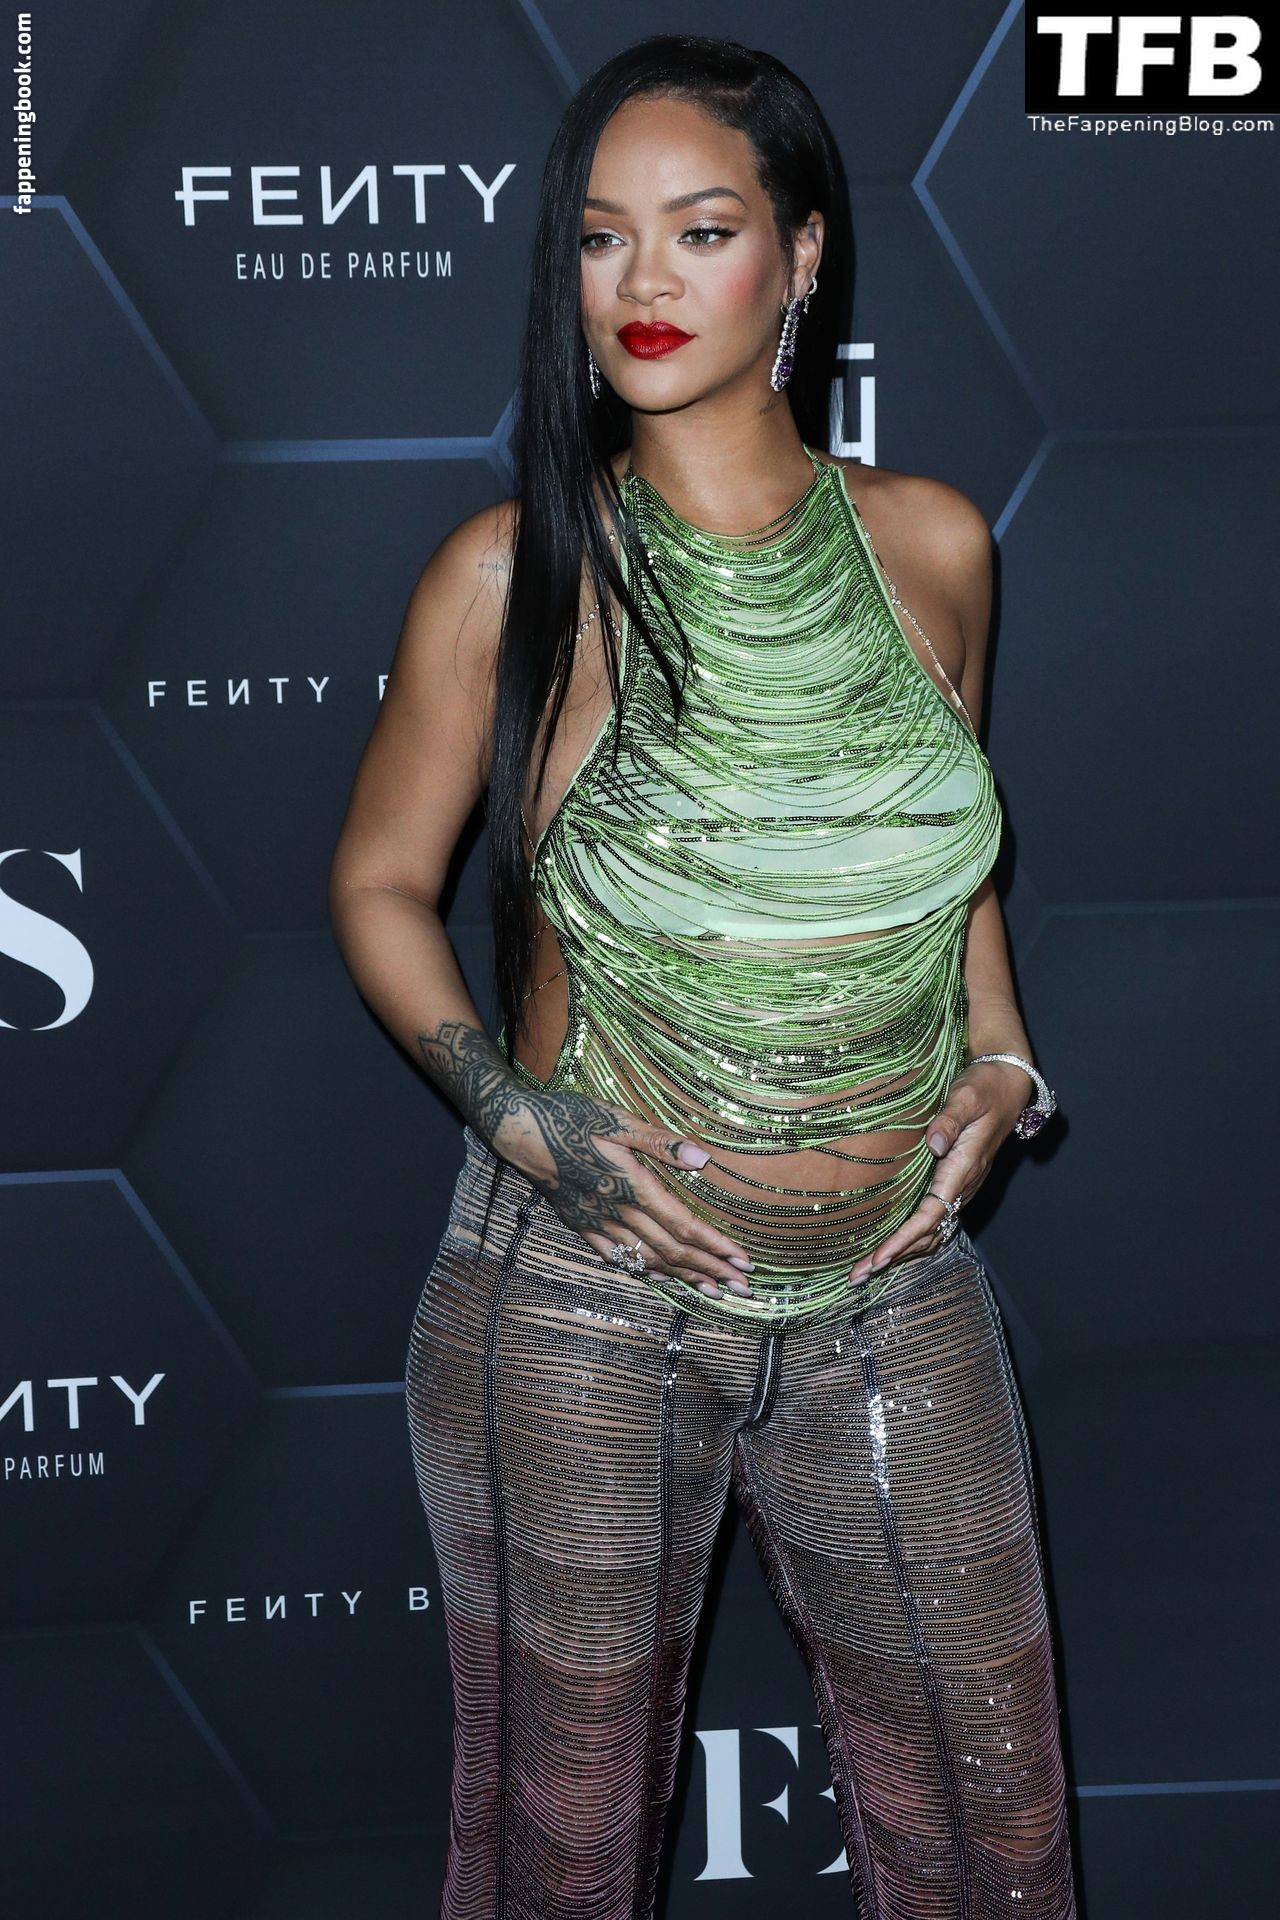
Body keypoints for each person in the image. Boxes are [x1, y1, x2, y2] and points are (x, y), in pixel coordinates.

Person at [328, 32, 1076, 1920]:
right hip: (586, 1299)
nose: (642, 282)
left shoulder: (937, 546)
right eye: (602, 238)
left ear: (802, 254)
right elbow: (380, 883)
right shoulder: (515, 576)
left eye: (702, 230)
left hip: (894, 1286)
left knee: (999, 1849)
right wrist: (522, 1121)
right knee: (563, 1866)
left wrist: (1002, 1055)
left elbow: (945, 850)